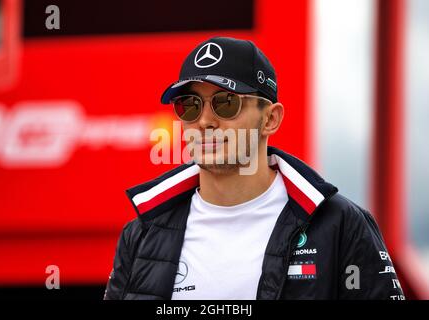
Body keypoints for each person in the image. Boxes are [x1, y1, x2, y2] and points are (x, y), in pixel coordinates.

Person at [104, 36, 405, 300]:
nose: (205, 121)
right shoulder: (141, 233)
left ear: (270, 119)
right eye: (190, 105)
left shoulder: (340, 225)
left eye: (226, 102)